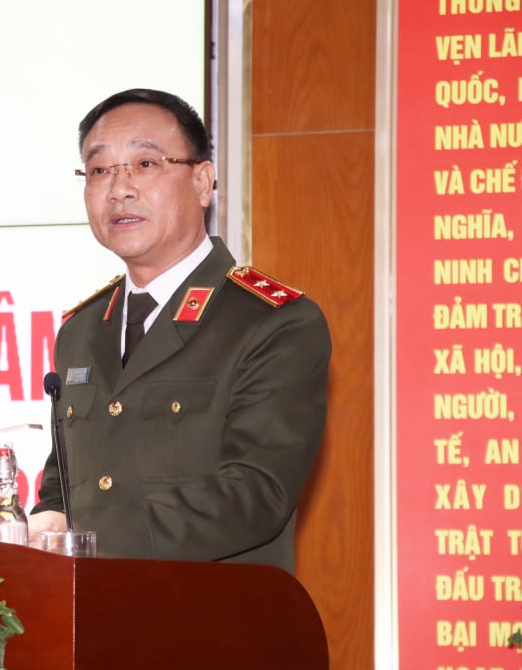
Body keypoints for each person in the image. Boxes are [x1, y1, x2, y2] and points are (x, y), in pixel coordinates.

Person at [28, 88, 331, 573]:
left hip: (209, 630)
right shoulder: (82, 331)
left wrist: (89, 538)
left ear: (202, 182)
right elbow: (64, 483)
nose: (119, 188)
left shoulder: (272, 322)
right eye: (100, 170)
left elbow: (256, 492)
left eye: (145, 165)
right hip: (89, 630)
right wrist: (38, 526)